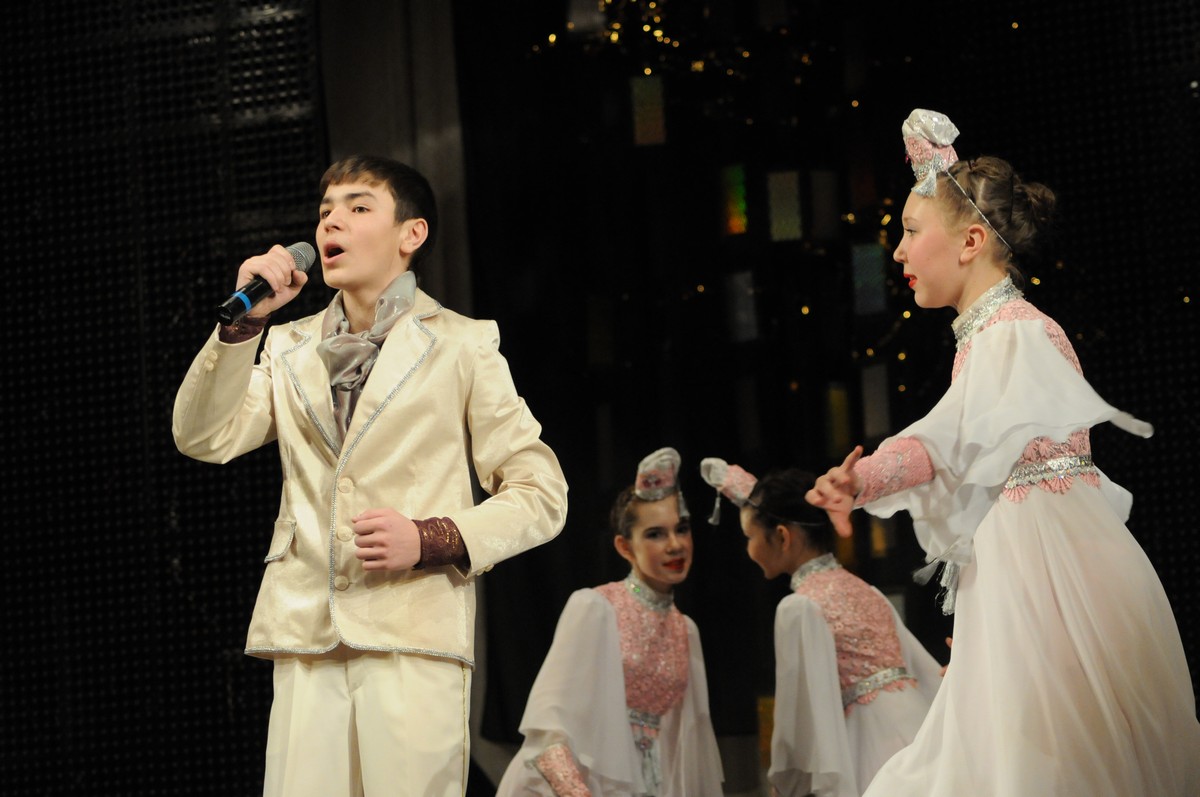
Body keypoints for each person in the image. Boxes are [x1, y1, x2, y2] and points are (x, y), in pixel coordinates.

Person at [806, 109, 1200, 796]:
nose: (898, 253)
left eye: (911, 231)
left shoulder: (1011, 334)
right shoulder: (998, 334)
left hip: (1045, 579)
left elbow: (945, 443)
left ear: (971, 241)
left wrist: (863, 479)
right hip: (1042, 571)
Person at [172, 154, 569, 797]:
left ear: (411, 234)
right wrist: (244, 324)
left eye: (359, 207)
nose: (333, 222)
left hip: (412, 631)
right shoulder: (288, 345)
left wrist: (433, 537)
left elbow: (541, 494)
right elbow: (203, 437)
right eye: (326, 210)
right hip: (304, 630)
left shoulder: (462, 344)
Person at [701, 460, 941, 797]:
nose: (749, 549)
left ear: (782, 537)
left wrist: (788, 782)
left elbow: (799, 720)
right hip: (921, 730)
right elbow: (924, 671)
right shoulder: (868, 591)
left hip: (868, 745)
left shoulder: (799, 607)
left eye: (749, 537)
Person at [495, 447, 724, 796]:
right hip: (580, 782)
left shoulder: (685, 629)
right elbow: (550, 733)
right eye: (655, 534)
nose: (675, 545)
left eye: (682, 529)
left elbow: (688, 745)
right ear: (624, 547)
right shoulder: (596, 608)